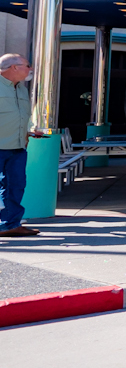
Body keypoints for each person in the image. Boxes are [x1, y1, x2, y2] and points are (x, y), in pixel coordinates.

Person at [0, 54, 45, 237]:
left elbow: (18, 117)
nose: (30, 69)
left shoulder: (22, 90)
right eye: (28, 65)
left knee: (15, 186)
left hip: (18, 147)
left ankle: (10, 224)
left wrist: (28, 132)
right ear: (14, 67)